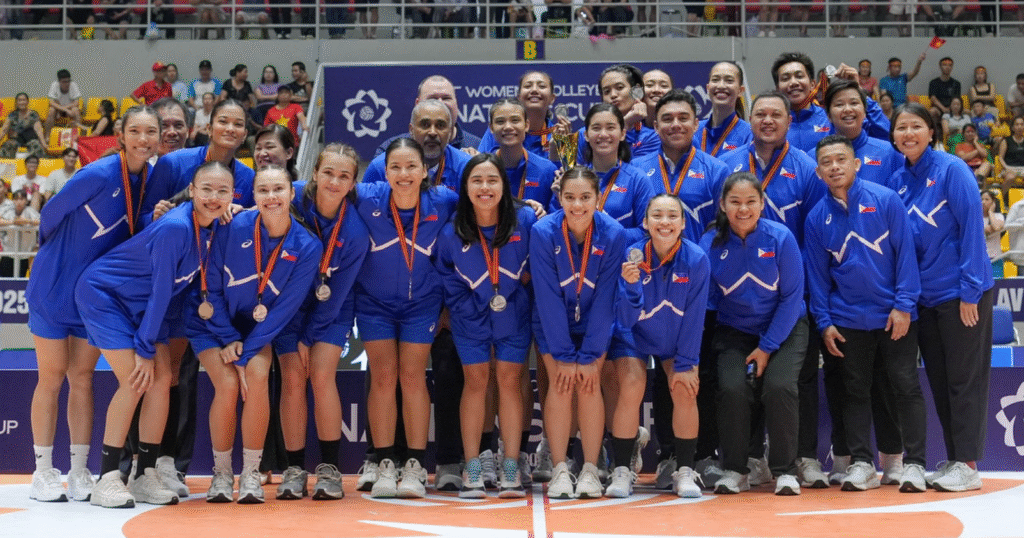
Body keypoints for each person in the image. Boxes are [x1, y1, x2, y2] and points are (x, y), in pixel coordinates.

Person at [75, 161, 234, 508]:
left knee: (163, 380)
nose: (213, 197)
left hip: (140, 305)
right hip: (106, 295)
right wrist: (145, 348)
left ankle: (145, 474)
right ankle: (107, 478)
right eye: (206, 189)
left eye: (223, 191)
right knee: (136, 379)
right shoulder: (175, 227)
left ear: (232, 196)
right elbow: (161, 291)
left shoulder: (212, 228)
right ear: (191, 191)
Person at [25, 106, 160, 504]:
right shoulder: (98, 173)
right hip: (53, 285)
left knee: (82, 378)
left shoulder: (147, 180)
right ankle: (43, 471)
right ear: (121, 133)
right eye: (135, 130)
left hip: (92, 294)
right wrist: (57, 255)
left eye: (150, 132)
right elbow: (50, 214)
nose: (143, 139)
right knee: (51, 377)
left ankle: (80, 470)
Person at [187, 167, 321, 504]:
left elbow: (282, 312)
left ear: (292, 193)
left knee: (257, 375)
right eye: (263, 190)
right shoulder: (232, 226)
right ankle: (221, 474)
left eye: (279, 189)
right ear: (254, 196)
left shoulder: (307, 246)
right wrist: (229, 337)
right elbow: (212, 287)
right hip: (211, 324)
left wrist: (246, 353)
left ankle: (250, 473)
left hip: (256, 332)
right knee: (229, 384)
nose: (271, 197)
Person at [804, 134, 929, 493]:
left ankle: (914, 464)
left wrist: (904, 306)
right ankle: (861, 463)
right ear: (818, 171)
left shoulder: (886, 200)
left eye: (841, 160)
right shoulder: (817, 218)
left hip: (894, 317)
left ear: (856, 164)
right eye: (826, 162)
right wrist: (825, 323)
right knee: (854, 391)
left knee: (904, 387)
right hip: (847, 322)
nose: (834, 167)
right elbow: (817, 276)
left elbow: (906, 256)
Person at [890, 102, 994, 492]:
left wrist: (969, 291)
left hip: (962, 295)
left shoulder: (952, 170)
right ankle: (955, 460)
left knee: (964, 381)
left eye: (916, 126)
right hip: (925, 299)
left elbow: (971, 230)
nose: (908, 133)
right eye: (901, 127)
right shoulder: (898, 178)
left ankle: (968, 464)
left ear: (932, 132)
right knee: (940, 379)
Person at [352, 138, 458, 499]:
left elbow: (486, 204)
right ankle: (384, 463)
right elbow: (316, 186)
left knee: (412, 377)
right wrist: (242, 208)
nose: (403, 174)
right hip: (374, 304)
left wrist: (532, 209)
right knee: (383, 377)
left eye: (411, 166)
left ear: (424, 170)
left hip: (422, 305)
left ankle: (414, 465)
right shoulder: (367, 196)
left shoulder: (443, 200)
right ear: (384, 171)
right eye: (395, 167)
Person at [435, 153, 536, 498]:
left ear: (504, 186)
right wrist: (471, 309)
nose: (485, 187)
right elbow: (448, 279)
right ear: (465, 187)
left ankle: (510, 466)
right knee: (476, 383)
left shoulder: (525, 221)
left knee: (509, 383)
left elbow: (536, 269)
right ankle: (473, 466)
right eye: (476, 180)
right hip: (470, 319)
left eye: (492, 180)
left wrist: (517, 299)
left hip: (514, 317)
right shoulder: (452, 231)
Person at [700, 172, 806, 496]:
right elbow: (704, 300)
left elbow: (792, 297)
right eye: (735, 202)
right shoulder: (709, 244)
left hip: (785, 327)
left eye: (750, 202)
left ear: (761, 204)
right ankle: (736, 469)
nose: (743, 209)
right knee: (731, 388)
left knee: (778, 386)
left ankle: (785, 470)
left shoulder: (781, 238)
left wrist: (767, 347)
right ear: (722, 205)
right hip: (735, 331)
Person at [273, 144, 369, 501]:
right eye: (328, 172)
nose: (334, 181)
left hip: (331, 309)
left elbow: (339, 294)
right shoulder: (292, 199)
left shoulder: (355, 232)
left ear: (352, 183)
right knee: (293, 379)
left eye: (344, 176)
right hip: (286, 306)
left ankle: (329, 470)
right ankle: (294, 469)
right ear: (314, 173)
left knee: (321, 375)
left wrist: (307, 338)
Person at [530, 167, 626, 499]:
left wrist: (587, 356)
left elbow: (606, 298)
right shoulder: (543, 231)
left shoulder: (614, 233)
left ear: (598, 199)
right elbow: (546, 294)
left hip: (595, 323)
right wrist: (563, 354)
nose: (578, 205)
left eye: (586, 197)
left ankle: (588, 468)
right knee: (560, 379)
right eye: (570, 197)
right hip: (551, 322)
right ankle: (559, 468)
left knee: (588, 381)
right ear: (560, 199)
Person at [616, 194, 708, 498]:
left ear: (683, 223)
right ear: (645, 222)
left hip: (675, 336)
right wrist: (631, 287)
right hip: (634, 335)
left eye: (672, 216)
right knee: (631, 383)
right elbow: (626, 320)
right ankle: (621, 470)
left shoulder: (696, 259)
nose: (664, 222)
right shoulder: (631, 254)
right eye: (657, 216)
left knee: (684, 387)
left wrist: (685, 364)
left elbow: (695, 318)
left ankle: (684, 471)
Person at [718, 92, 824, 246]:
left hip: (787, 266)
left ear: (789, 121)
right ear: (750, 120)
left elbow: (815, 235)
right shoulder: (725, 165)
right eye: (760, 114)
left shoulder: (808, 170)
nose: (767, 121)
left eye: (776, 115)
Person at [632, 90, 730, 245]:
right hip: (650, 266)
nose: (676, 125)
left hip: (699, 266)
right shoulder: (637, 169)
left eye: (683, 118)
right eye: (667, 119)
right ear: (656, 126)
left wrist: (698, 261)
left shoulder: (717, 170)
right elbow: (635, 226)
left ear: (696, 124)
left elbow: (724, 228)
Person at [363, 99, 471, 191]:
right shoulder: (380, 167)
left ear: (450, 132)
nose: (432, 132)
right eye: (425, 125)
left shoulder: (466, 167)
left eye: (440, 125)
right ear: (411, 130)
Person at [821, 79, 903, 190]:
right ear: (829, 115)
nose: (848, 109)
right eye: (839, 104)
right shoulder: (815, 157)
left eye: (854, 103)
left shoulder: (890, 153)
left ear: (865, 112)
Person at [374, 75, 482, 156]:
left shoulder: (480, 148)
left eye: (446, 98)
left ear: (456, 104)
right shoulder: (389, 151)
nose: (440, 104)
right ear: (417, 104)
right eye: (432, 99)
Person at [574, 65, 660, 162]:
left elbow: (630, 172)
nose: (613, 95)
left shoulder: (652, 137)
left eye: (619, 87)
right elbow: (567, 170)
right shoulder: (583, 133)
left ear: (636, 91)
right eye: (607, 91)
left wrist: (625, 125)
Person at [488, 98, 558, 209]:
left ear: (526, 125)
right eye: (500, 121)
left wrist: (544, 218)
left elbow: (556, 217)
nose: (508, 127)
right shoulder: (481, 169)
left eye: (515, 120)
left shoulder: (546, 170)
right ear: (491, 128)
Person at [477, 71, 560, 160]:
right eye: (528, 86)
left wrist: (563, 145)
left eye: (542, 86)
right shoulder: (499, 129)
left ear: (552, 98)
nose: (534, 90)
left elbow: (570, 172)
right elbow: (481, 163)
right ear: (519, 97)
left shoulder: (561, 134)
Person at [694, 62, 752, 158]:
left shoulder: (749, 134)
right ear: (708, 88)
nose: (721, 86)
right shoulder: (694, 130)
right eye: (715, 80)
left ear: (740, 91)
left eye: (729, 81)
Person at [0, 189, 40, 277]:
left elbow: (41, 221)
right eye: (16, 199)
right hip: (8, 254)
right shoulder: (8, 211)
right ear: (13, 200)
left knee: (20, 279)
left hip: (24, 255)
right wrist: (13, 222)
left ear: (26, 201)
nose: (19, 202)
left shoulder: (30, 212)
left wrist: (26, 221)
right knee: (5, 281)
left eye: (21, 199)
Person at [0, 92, 46, 158]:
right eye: (19, 100)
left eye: (24, 100)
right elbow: (4, 130)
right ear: (17, 102)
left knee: (37, 146)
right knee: (7, 145)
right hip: (16, 139)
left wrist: (43, 143)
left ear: (27, 102)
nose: (22, 102)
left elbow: (38, 130)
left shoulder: (33, 114)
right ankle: (6, 167)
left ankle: (34, 166)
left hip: (30, 139)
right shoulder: (12, 115)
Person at [45, 69, 82, 135]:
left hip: (70, 108)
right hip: (58, 109)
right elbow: (51, 102)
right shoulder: (54, 85)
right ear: (59, 81)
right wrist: (64, 109)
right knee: (51, 110)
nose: (67, 84)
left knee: (76, 110)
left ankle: (76, 136)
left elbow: (76, 102)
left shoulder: (73, 84)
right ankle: (48, 136)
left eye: (68, 81)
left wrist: (66, 109)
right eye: (64, 82)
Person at [927, 57, 962, 125]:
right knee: (932, 111)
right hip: (939, 109)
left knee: (967, 112)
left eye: (950, 65)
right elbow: (933, 98)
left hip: (953, 108)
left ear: (952, 67)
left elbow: (957, 99)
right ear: (940, 66)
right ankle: (936, 134)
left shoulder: (956, 83)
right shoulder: (934, 82)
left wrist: (951, 109)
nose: (947, 67)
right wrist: (943, 109)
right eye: (945, 65)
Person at [996, 116, 1024, 199]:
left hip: (1023, 169)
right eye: (1017, 124)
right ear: (1012, 127)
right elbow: (1000, 157)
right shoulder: (1006, 141)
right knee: (1010, 177)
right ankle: (1002, 199)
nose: (1020, 127)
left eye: (1022, 124)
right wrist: (1007, 167)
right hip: (1009, 168)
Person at [982, 189, 1005, 278]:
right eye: (982, 199)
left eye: (987, 199)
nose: (983, 202)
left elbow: (996, 227)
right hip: (981, 258)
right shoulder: (976, 217)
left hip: (996, 258)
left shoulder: (999, 216)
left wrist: (990, 212)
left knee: (997, 286)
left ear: (993, 202)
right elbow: (990, 229)